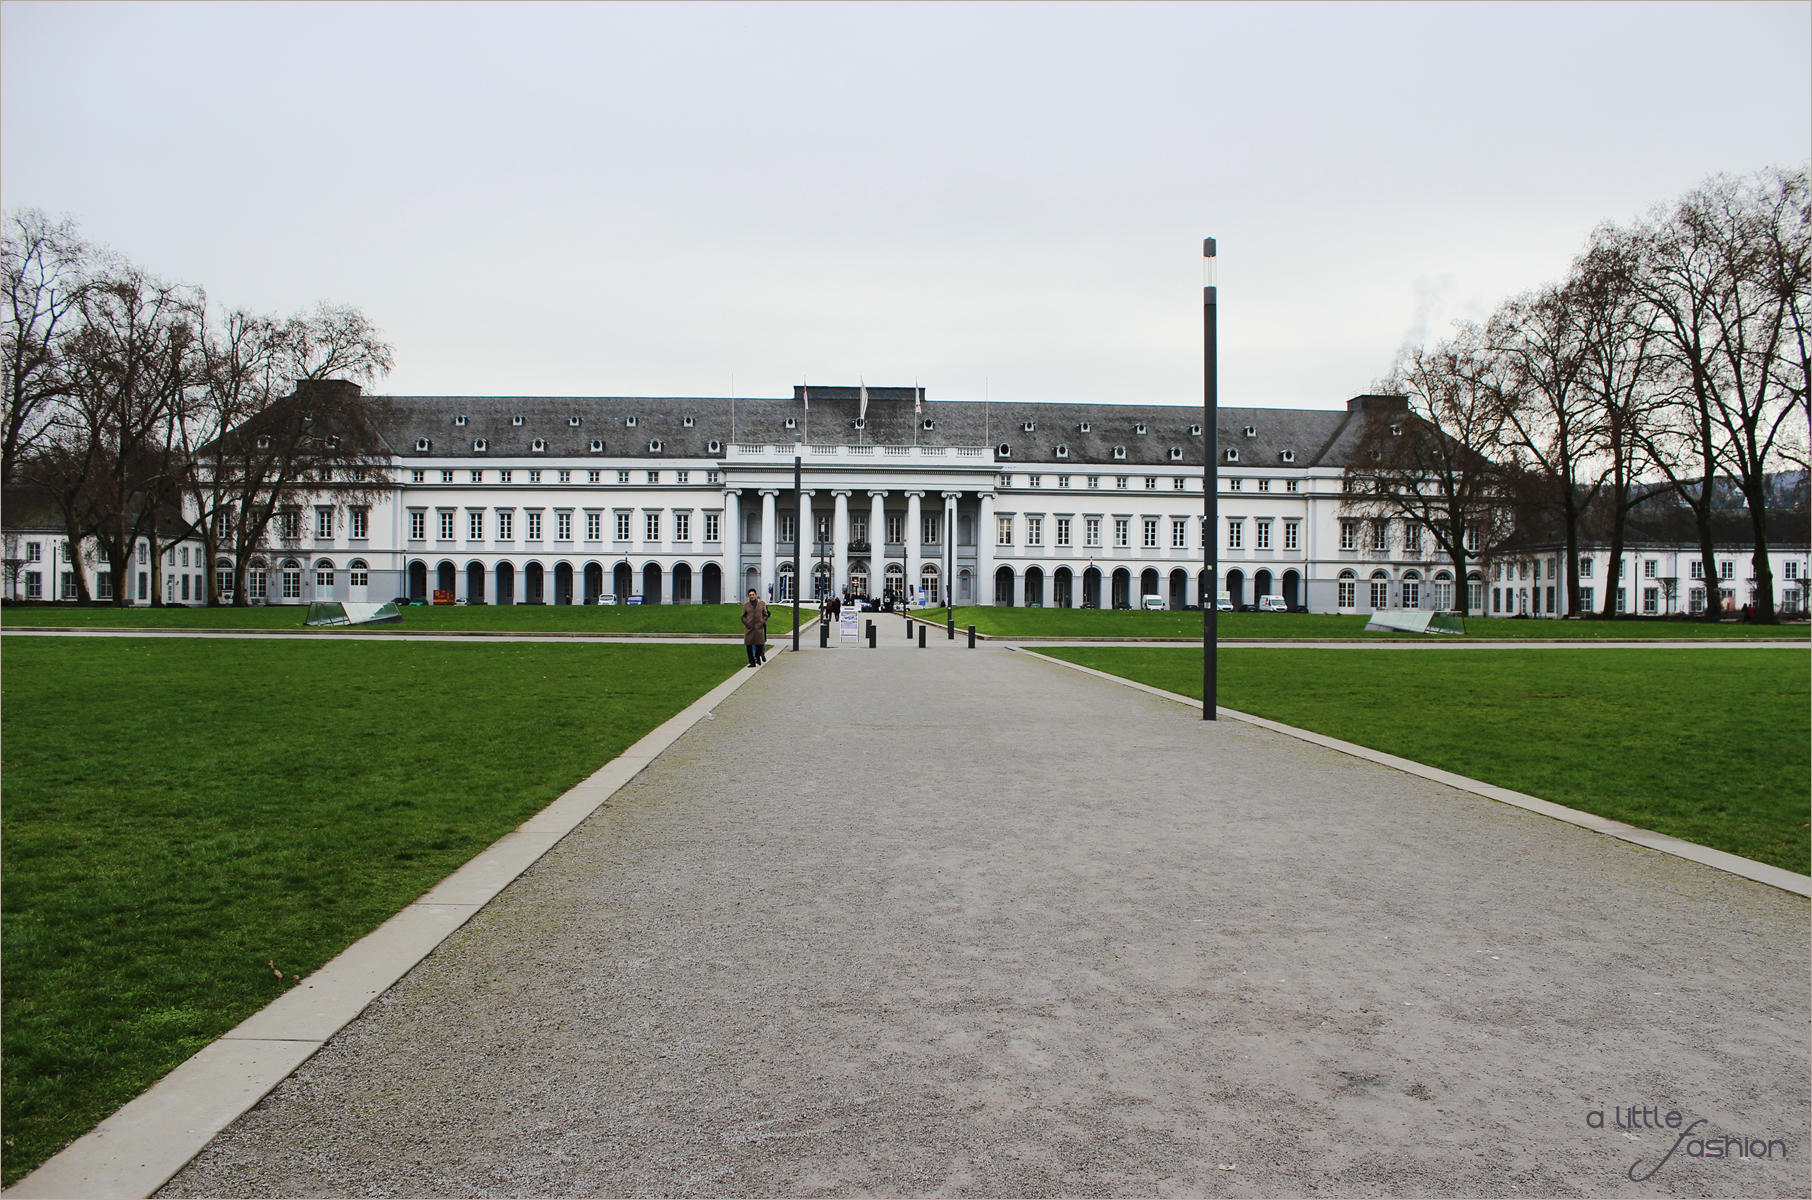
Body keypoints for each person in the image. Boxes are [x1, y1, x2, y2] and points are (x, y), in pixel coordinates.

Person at [742, 588, 770, 666]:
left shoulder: (761, 604)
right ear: (748, 596)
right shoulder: (746, 605)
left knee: (760, 644)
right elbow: (743, 616)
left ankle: (757, 656)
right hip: (749, 627)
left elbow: (765, 614)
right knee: (749, 645)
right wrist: (746, 623)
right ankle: (752, 662)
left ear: (756, 595)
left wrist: (762, 621)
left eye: (753, 595)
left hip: (759, 627)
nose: (752, 596)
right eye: (750, 595)